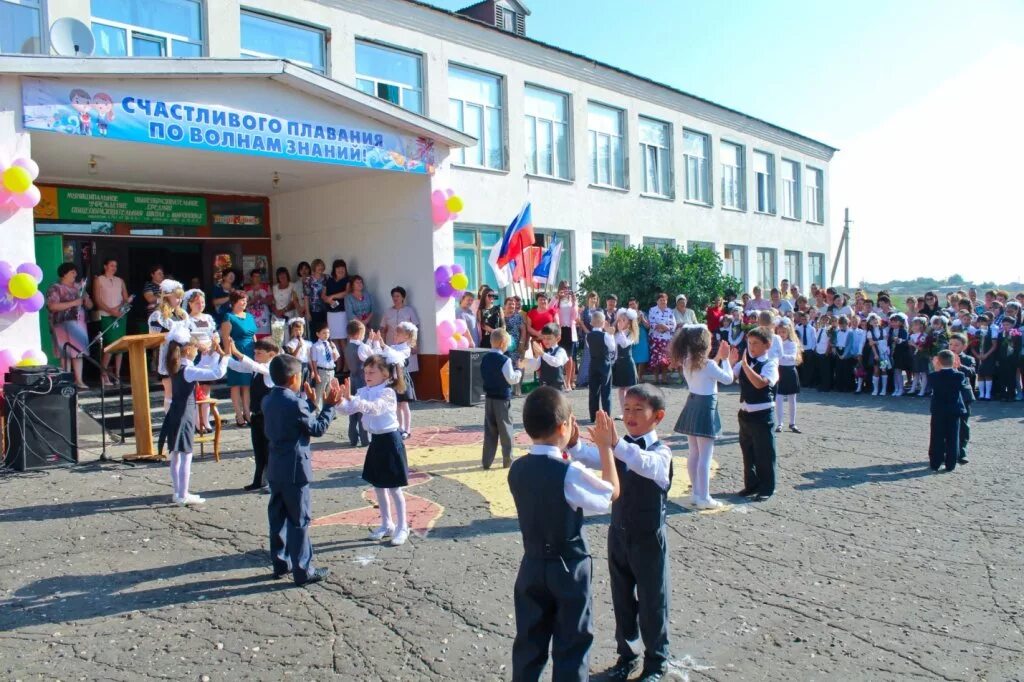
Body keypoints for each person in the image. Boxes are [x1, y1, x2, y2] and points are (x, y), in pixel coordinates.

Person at [508, 387, 619, 682]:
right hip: (568, 565)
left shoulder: (516, 468)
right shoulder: (569, 472)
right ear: (565, 426)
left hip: (531, 564)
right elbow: (610, 493)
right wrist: (605, 448)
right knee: (572, 644)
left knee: (529, 643)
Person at [568, 386, 672, 680]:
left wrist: (613, 444)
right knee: (622, 600)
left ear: (658, 416)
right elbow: (593, 457)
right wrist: (575, 445)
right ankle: (627, 655)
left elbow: (643, 463)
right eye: (626, 409)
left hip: (648, 539)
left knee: (653, 603)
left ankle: (656, 663)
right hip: (619, 534)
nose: (630, 415)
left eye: (639, 410)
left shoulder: (660, 453)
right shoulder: (620, 446)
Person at [264, 354, 340, 586]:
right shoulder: (295, 403)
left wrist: (308, 403)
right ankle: (303, 570)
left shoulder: (268, 400)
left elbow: (296, 420)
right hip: (296, 469)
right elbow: (315, 428)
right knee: (299, 520)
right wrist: (328, 407)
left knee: (277, 516)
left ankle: (281, 562)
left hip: (276, 466)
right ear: (295, 378)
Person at [338, 352, 411, 546]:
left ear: (385, 374)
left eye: (372, 372)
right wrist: (338, 400)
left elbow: (375, 408)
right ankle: (387, 523)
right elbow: (348, 410)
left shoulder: (387, 392)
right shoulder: (363, 391)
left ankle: (403, 526)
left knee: (394, 488)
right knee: (378, 485)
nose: (367, 375)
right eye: (365, 372)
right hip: (376, 441)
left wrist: (353, 399)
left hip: (390, 440)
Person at [157, 325, 229, 505]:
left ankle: (178, 492)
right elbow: (216, 372)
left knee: (175, 453)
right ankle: (183, 494)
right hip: (184, 412)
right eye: (196, 348)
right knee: (186, 453)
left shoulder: (176, 366)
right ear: (188, 350)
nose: (197, 351)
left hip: (175, 410)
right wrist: (225, 357)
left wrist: (214, 353)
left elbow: (205, 367)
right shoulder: (188, 370)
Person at [672, 325, 733, 510]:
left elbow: (708, 370)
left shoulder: (686, 360)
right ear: (703, 344)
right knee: (705, 455)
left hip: (693, 404)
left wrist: (719, 358)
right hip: (706, 407)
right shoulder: (709, 365)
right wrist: (727, 359)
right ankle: (704, 496)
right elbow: (728, 379)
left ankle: (696, 494)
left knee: (694, 453)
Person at [732, 328, 780, 501]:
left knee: (765, 453)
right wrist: (727, 361)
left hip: (762, 414)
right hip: (745, 413)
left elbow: (760, 384)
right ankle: (751, 484)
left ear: (767, 345)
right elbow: (729, 377)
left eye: (755, 343)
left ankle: (767, 487)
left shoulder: (770, 364)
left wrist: (744, 365)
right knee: (748, 452)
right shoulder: (745, 362)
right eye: (749, 343)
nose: (751, 347)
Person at [227, 338, 280, 492]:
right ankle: (259, 480)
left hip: (268, 417)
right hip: (257, 415)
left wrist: (237, 352)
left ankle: (272, 482)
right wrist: (222, 355)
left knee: (269, 450)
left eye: (259, 353)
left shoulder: (271, 369)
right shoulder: (257, 369)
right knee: (258, 450)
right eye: (255, 353)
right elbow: (238, 366)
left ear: (271, 354)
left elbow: (251, 364)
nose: (256, 355)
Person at [480, 328, 524, 469]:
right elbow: (511, 379)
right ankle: (508, 460)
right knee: (506, 430)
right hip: (502, 400)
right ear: (503, 343)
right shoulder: (505, 360)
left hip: (489, 398)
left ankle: (486, 461)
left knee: (490, 431)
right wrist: (519, 370)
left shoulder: (485, 358)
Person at [46, 263, 93, 389]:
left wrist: (85, 296)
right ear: (64, 273)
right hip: (62, 325)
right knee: (65, 353)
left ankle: (79, 380)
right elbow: (52, 306)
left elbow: (90, 306)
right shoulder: (56, 288)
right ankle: (66, 380)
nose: (75, 275)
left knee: (78, 353)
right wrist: (73, 303)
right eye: (72, 272)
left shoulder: (78, 287)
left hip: (79, 324)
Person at [148, 279, 189, 413]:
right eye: (176, 296)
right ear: (166, 296)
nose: (179, 299)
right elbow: (152, 339)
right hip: (167, 356)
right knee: (170, 391)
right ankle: (170, 421)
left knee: (182, 391)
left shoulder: (182, 314)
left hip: (183, 355)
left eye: (180, 297)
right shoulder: (158, 316)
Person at [926, 350, 970, 472]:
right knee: (953, 437)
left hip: (938, 410)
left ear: (938, 362)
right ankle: (951, 464)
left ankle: (935, 462)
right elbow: (963, 386)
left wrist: (936, 368)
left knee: (936, 436)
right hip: (953, 410)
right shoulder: (959, 375)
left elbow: (930, 386)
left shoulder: (933, 376)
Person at [220, 290, 258, 426]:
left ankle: (247, 412)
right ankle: (238, 414)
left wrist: (257, 350)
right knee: (236, 384)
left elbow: (253, 334)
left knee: (247, 385)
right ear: (234, 301)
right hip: (235, 351)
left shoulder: (249, 316)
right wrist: (227, 356)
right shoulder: (228, 317)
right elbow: (225, 337)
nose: (244, 303)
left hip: (250, 351)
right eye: (242, 300)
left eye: (246, 300)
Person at [184, 289, 218, 432]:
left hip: (209, 354)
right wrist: (199, 345)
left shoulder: (208, 318)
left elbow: (215, 333)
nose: (200, 305)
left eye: (202, 302)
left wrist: (214, 343)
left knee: (206, 388)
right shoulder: (187, 320)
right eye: (197, 303)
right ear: (190, 304)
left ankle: (206, 419)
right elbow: (187, 336)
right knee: (196, 388)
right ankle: (197, 422)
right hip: (196, 354)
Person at [93, 257, 130, 386]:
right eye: (111, 265)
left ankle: (118, 375)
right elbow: (97, 300)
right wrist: (111, 310)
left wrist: (119, 309)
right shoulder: (99, 280)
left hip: (120, 315)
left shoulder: (120, 280)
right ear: (105, 266)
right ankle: (103, 374)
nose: (114, 268)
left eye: (115, 266)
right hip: (106, 315)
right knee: (109, 344)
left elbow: (125, 298)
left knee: (120, 346)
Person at [344, 319, 373, 448]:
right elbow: (370, 357)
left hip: (352, 378)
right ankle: (365, 438)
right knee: (362, 409)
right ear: (358, 334)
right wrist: (372, 342)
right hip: (361, 379)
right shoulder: (362, 346)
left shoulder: (348, 346)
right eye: (363, 333)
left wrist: (369, 342)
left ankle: (353, 438)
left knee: (352, 409)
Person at [379, 286, 421, 375]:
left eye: (397, 296)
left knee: (408, 371)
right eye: (393, 296)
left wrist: (415, 345)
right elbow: (382, 328)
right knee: (394, 372)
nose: (395, 298)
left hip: (407, 346)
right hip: (391, 345)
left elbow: (415, 329)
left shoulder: (409, 310)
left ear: (403, 297)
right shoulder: (388, 311)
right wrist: (382, 345)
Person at [948, 334, 976, 465]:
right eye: (951, 344)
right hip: (947, 396)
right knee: (946, 425)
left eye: (956, 345)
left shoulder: (969, 359)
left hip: (963, 396)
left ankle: (962, 451)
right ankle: (947, 451)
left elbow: (971, 372)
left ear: (964, 346)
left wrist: (960, 366)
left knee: (963, 425)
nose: (952, 347)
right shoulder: (944, 358)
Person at [585, 311, 616, 423]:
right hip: (605, 364)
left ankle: (593, 416)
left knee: (593, 391)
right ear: (603, 322)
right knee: (606, 391)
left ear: (591, 322)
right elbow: (612, 348)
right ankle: (607, 416)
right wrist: (611, 335)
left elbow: (589, 347)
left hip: (593, 364)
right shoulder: (606, 335)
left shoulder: (587, 335)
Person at [774, 318, 803, 433]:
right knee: (779, 397)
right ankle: (780, 423)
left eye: (784, 332)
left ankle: (792, 423)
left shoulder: (792, 343)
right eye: (779, 332)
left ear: (788, 332)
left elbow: (792, 358)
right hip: (779, 371)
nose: (781, 334)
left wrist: (780, 355)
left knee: (792, 398)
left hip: (790, 371)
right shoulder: (776, 342)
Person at [612, 309, 640, 418]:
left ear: (629, 322)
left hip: (628, 363)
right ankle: (623, 411)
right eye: (619, 320)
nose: (620, 322)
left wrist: (621, 332)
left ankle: (631, 411)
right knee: (621, 388)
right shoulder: (618, 333)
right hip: (619, 363)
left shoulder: (631, 333)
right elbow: (614, 348)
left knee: (629, 389)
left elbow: (624, 344)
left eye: (623, 320)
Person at [526, 323, 569, 390]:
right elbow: (535, 367)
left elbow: (556, 362)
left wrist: (542, 354)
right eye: (544, 338)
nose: (545, 341)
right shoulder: (543, 351)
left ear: (558, 338)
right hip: (544, 386)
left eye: (549, 338)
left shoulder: (561, 351)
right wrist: (536, 357)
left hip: (557, 387)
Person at [323, 259, 351, 360]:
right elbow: (323, 295)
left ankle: (346, 365)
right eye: (338, 268)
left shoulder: (347, 280)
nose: (340, 270)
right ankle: (338, 363)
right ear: (334, 269)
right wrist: (328, 300)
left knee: (343, 339)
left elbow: (346, 292)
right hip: (331, 313)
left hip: (342, 313)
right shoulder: (329, 280)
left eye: (342, 268)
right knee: (334, 339)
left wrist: (332, 297)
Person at [310, 320, 340, 410]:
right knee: (320, 392)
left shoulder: (330, 344)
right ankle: (317, 411)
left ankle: (327, 410)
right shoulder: (315, 346)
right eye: (324, 333)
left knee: (329, 391)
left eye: (328, 332)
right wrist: (316, 374)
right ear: (318, 334)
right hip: (322, 371)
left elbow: (336, 358)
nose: (326, 335)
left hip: (331, 370)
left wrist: (334, 349)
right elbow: (314, 361)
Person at [554, 282, 579, 390]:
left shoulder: (572, 300)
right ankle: (561, 380)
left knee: (569, 357)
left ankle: (568, 381)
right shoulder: (556, 299)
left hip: (569, 330)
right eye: (564, 287)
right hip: (559, 330)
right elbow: (550, 309)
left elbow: (575, 316)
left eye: (568, 287)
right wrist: (557, 298)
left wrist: (574, 301)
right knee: (558, 356)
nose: (566, 289)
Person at [647, 293, 677, 385]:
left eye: (664, 300)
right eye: (661, 300)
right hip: (655, 338)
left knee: (665, 360)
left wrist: (666, 327)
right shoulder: (652, 310)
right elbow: (651, 323)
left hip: (667, 338)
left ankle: (664, 379)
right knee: (656, 359)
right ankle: (655, 379)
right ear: (657, 301)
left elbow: (674, 324)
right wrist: (659, 326)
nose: (663, 301)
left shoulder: (670, 311)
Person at [994, 316, 1020, 402]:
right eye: (1004, 325)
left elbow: (1017, 348)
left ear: (1013, 325)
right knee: (1002, 377)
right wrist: (997, 359)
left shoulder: (1017, 334)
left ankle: (1011, 394)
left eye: (1008, 325)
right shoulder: (1001, 334)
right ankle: (1003, 394)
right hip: (1002, 359)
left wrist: (1015, 359)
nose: (1005, 326)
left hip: (1012, 360)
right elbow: (997, 348)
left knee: (1011, 377)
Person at [972, 315, 997, 400]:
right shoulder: (976, 332)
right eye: (979, 322)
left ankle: (988, 394)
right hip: (979, 357)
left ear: (988, 322)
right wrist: (977, 355)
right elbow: (972, 347)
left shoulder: (992, 331)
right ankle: (981, 394)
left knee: (988, 374)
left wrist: (986, 354)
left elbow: (994, 345)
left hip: (988, 356)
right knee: (980, 374)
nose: (981, 323)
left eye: (983, 321)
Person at [245, 269, 272, 339]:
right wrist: (252, 301)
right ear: (251, 278)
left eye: (259, 276)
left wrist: (261, 299)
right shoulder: (246, 289)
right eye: (255, 276)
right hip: (251, 317)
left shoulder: (266, 287)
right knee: (252, 338)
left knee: (264, 339)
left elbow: (270, 302)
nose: (257, 278)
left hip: (264, 318)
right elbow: (243, 305)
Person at [304, 259, 328, 336]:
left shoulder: (327, 277)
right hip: (313, 310)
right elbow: (306, 296)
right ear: (314, 267)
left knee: (325, 331)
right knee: (314, 332)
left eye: (321, 265)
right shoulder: (308, 280)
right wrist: (307, 312)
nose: (320, 268)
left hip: (325, 309)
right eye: (318, 266)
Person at [628, 298, 650, 383]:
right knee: (632, 357)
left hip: (642, 337)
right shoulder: (627, 315)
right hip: (631, 337)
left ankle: (640, 377)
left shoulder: (643, 313)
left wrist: (642, 318)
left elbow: (648, 326)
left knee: (642, 358)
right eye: (630, 304)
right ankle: (633, 376)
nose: (632, 306)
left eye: (633, 304)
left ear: (637, 304)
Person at [284, 318, 311, 385]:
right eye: (296, 330)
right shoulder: (291, 344)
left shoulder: (307, 343)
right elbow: (292, 357)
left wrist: (312, 370)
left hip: (306, 366)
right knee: (298, 384)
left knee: (306, 385)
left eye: (300, 330)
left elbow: (309, 357)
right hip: (297, 365)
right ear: (292, 331)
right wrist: (298, 347)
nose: (298, 332)